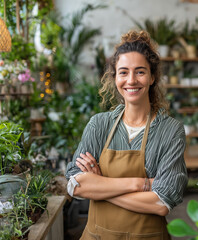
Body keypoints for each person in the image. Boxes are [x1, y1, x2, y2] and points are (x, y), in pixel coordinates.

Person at [65, 30, 188, 239]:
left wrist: (101, 186)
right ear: (115, 78)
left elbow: (161, 203)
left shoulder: (170, 131)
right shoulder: (99, 124)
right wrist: (141, 184)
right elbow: (75, 185)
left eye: (140, 72)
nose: (131, 80)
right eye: (123, 72)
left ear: (152, 77)